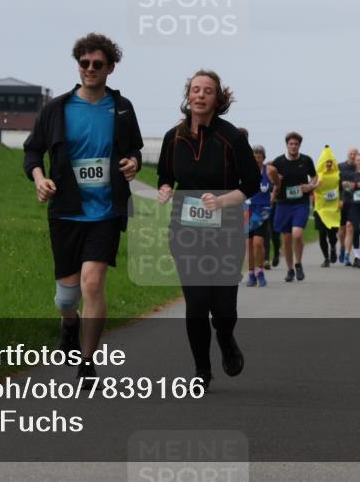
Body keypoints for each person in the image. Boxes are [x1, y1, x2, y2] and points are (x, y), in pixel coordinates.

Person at [23, 33, 143, 385]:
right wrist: (39, 178)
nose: (90, 69)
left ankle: (88, 363)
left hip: (105, 211)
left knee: (93, 284)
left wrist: (133, 163)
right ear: (78, 65)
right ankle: (68, 323)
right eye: (84, 63)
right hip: (65, 211)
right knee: (67, 296)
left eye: (98, 64)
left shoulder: (122, 108)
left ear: (111, 68)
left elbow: (134, 150)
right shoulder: (56, 109)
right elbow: (32, 152)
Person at [156, 70, 260, 390]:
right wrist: (163, 189)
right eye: (195, 89)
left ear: (218, 98)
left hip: (225, 231)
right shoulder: (173, 137)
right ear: (188, 95)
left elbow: (252, 185)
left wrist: (224, 201)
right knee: (198, 304)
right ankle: (202, 371)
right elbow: (165, 175)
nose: (200, 95)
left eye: (208, 91)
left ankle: (226, 339)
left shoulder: (232, 138)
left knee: (224, 309)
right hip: (186, 231)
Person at [271, 132, 318, 282]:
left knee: (297, 234)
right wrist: (276, 180)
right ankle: (290, 269)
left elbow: (315, 176)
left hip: (300, 203)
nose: (293, 146)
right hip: (283, 203)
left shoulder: (306, 160)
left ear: (299, 145)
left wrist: (310, 186)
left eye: (296, 144)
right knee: (286, 239)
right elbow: (271, 179)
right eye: (291, 144)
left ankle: (298, 264)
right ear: (287, 145)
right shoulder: (278, 162)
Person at [244, 145, 275, 287]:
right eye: (254, 155)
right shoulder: (244, 171)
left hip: (262, 211)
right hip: (247, 210)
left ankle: (260, 271)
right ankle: (251, 273)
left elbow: (277, 184)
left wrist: (273, 196)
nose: (256, 158)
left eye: (259, 155)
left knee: (258, 243)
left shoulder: (268, 171)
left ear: (263, 157)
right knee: (249, 244)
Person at [312, 145, 341, 267]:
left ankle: (333, 247)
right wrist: (315, 185)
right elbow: (310, 187)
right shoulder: (317, 175)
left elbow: (343, 189)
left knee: (332, 234)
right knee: (322, 234)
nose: (328, 164)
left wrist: (342, 200)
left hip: (334, 209)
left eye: (330, 162)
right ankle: (326, 258)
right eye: (326, 162)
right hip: (320, 209)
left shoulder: (338, 174)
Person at [337, 147, 359, 265]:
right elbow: (334, 182)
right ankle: (341, 246)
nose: (353, 156)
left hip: (355, 202)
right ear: (347, 155)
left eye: (355, 154)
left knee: (350, 227)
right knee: (342, 229)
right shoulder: (340, 166)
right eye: (351, 154)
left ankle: (346, 255)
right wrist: (342, 184)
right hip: (343, 201)